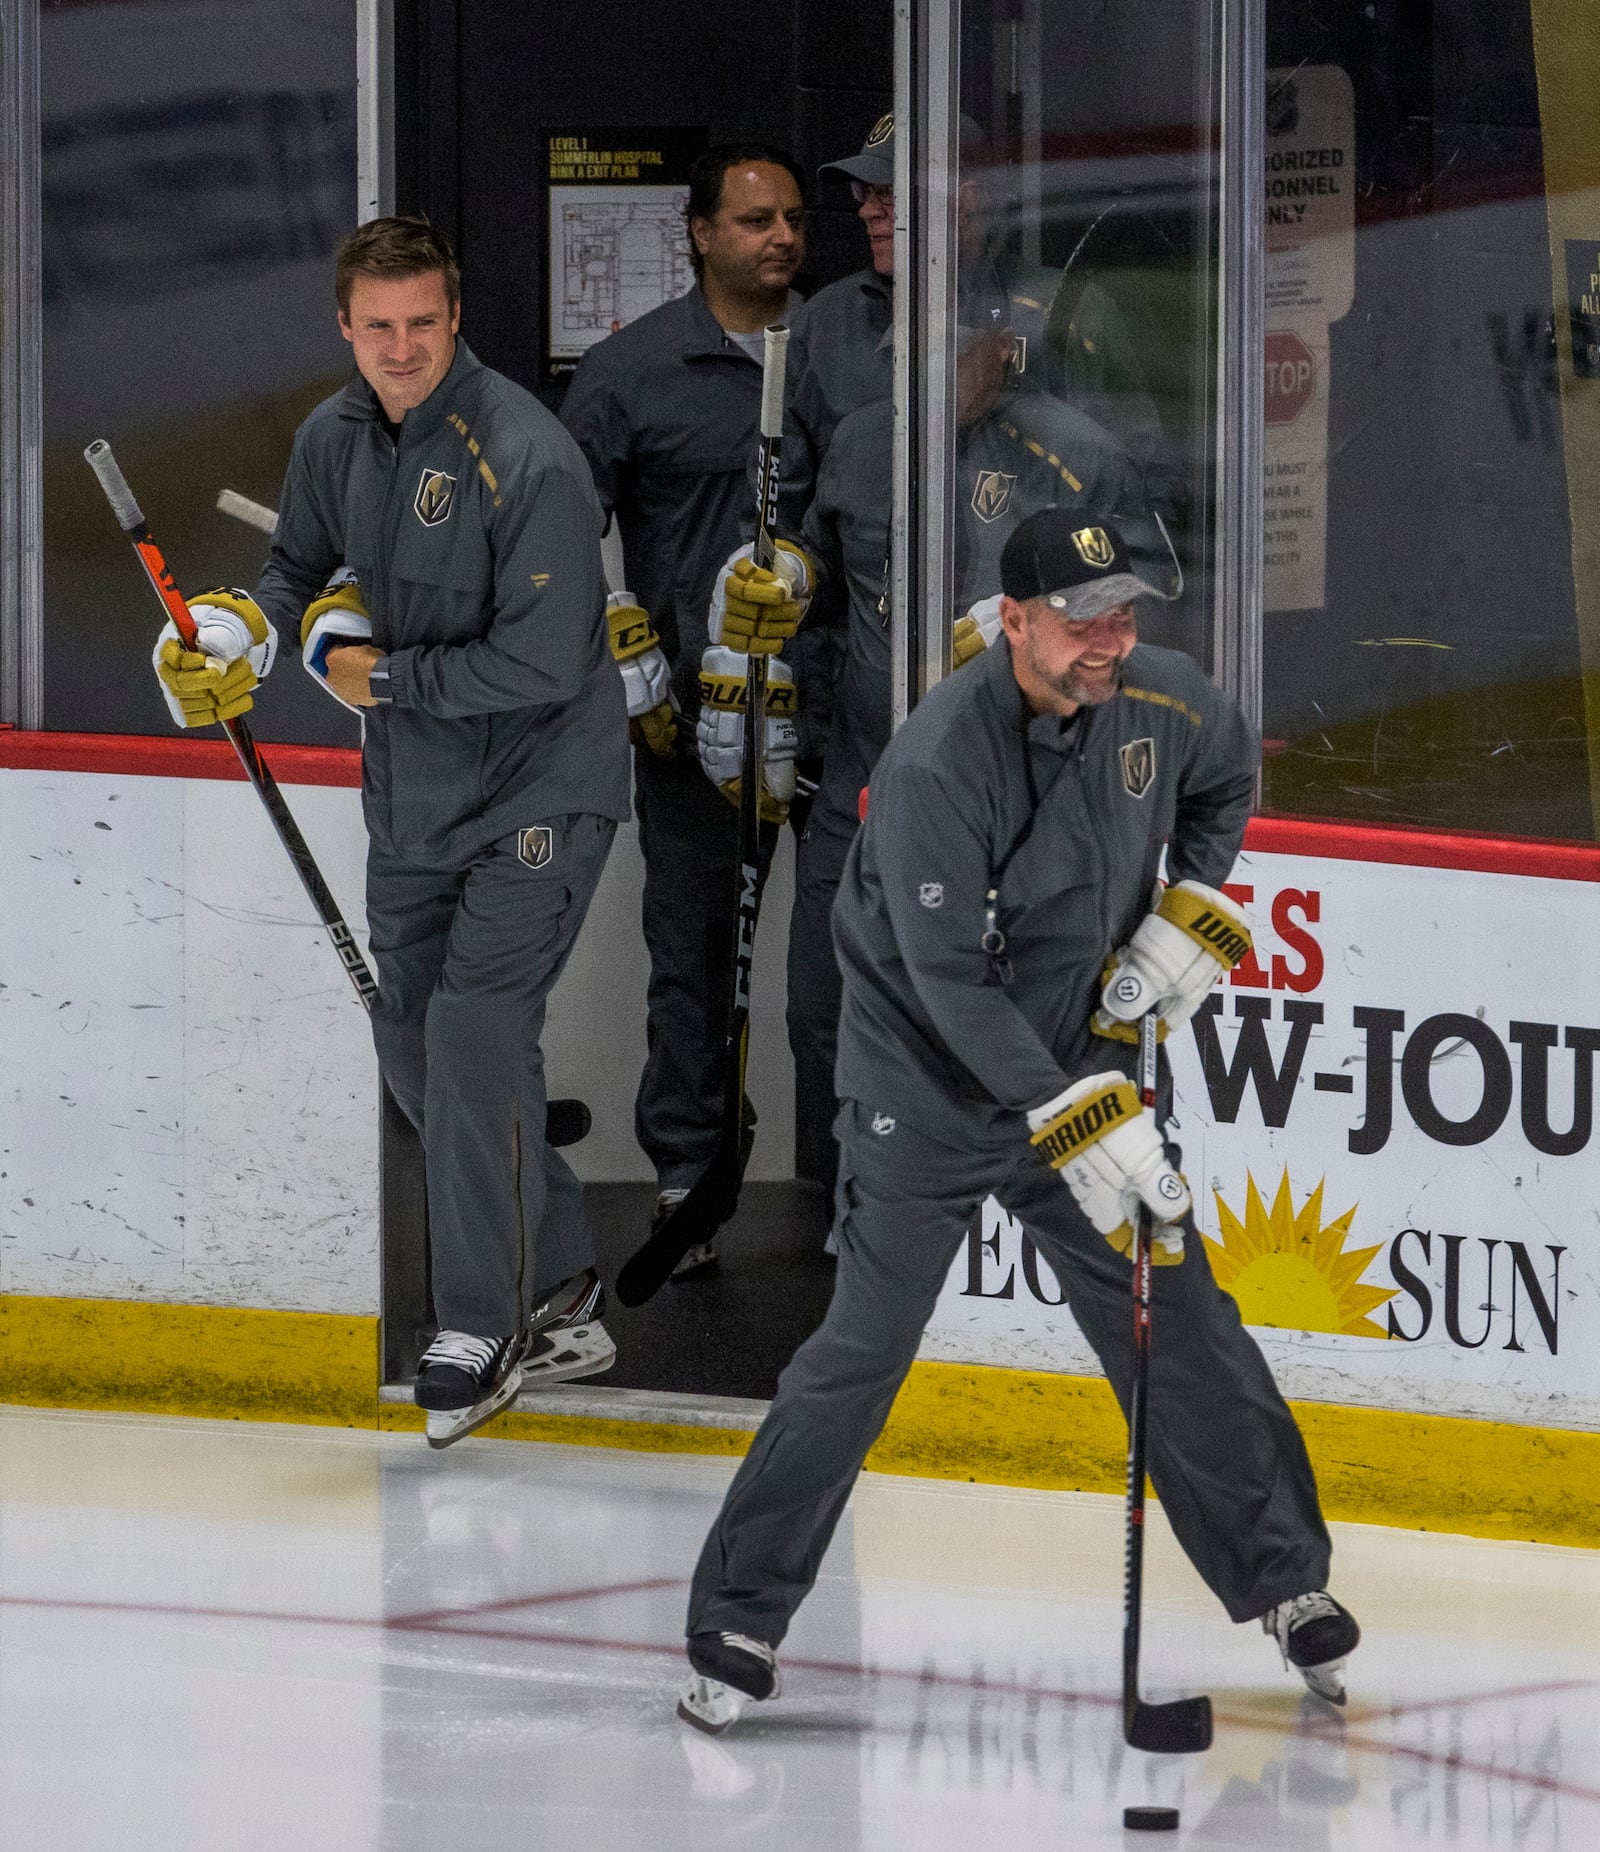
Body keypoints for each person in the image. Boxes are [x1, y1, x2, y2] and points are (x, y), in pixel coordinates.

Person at [675, 506, 1361, 1733]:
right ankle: (738, 1614)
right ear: (1015, 621)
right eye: (1084, 621)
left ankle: (1286, 1584)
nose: (1110, 641)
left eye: (1124, 616)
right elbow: (949, 982)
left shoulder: (1166, 699)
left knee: (1178, 1317)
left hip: (1077, 1059)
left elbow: (1226, 775)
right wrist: (1076, 1113)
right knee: (863, 1349)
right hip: (925, 1092)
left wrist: (1189, 903)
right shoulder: (939, 759)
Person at [149, 216, 631, 1446]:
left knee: (472, 1037)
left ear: (454, 316)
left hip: (539, 786)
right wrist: (239, 635)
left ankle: (479, 1322)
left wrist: (379, 679)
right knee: (416, 1052)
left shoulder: (525, 452)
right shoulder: (332, 434)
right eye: (378, 327)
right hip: (413, 796)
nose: (402, 346)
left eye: (423, 322)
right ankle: (562, 1280)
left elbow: (540, 657)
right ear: (346, 329)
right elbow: (292, 572)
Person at [785, 274, 1152, 1200]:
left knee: (976, 1029)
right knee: (824, 1011)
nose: (927, 377)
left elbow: (1138, 637)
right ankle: (849, 1230)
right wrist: (771, 598)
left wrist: (1024, 642)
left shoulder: (1080, 457)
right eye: (906, 360)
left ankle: (975, 1261)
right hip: (861, 787)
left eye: (952, 354)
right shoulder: (863, 439)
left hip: (1011, 810)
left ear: (1004, 347)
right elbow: (823, 584)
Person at [559, 144, 811, 1274]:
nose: (781, 236)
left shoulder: (846, 353)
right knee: (693, 950)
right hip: (690, 723)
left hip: (837, 701)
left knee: (848, 957)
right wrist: (618, 645)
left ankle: (854, 1188)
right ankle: (683, 1176)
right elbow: (556, 537)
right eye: (755, 219)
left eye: (794, 218)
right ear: (699, 232)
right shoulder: (632, 368)